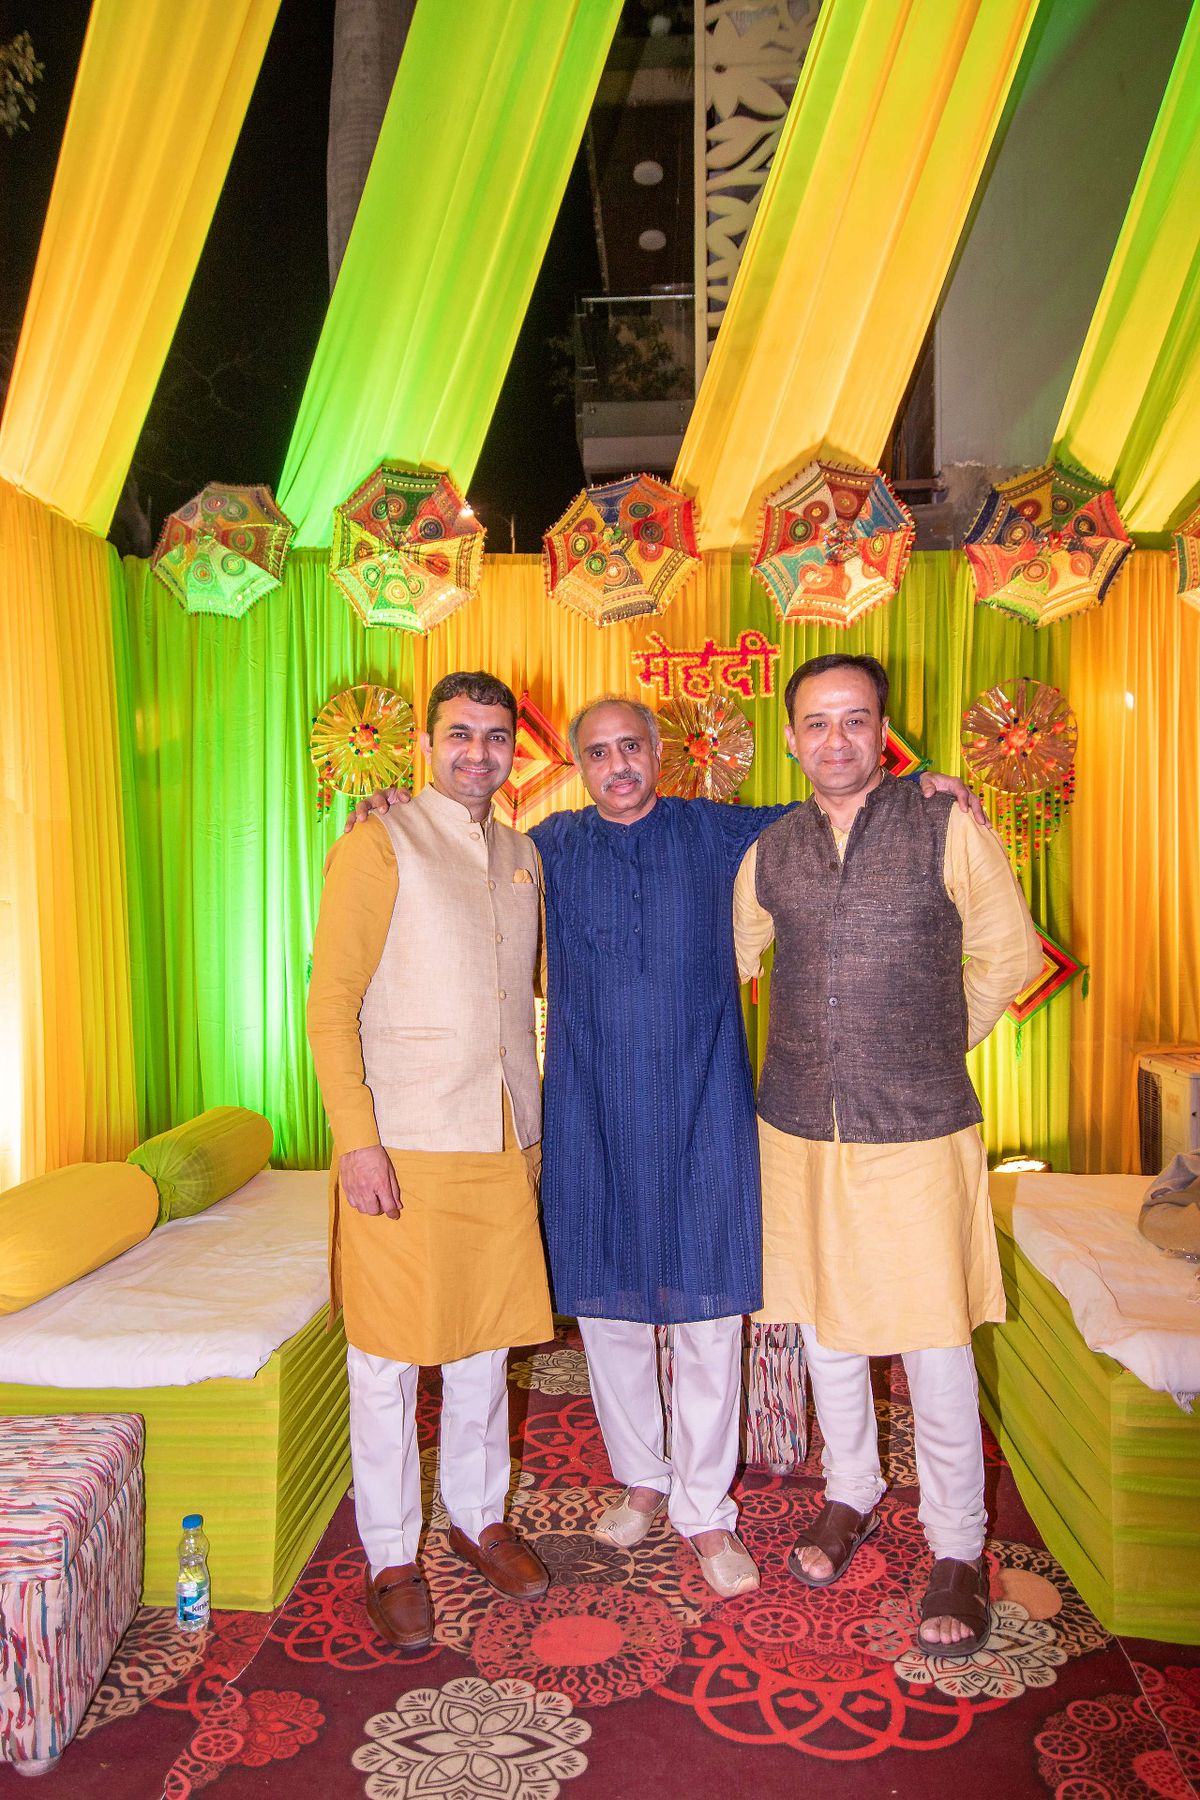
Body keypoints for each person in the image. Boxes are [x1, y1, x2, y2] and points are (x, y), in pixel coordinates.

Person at [350, 694, 979, 1600]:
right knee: (608, 1315)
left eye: (632, 747)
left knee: (709, 1315)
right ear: (578, 766)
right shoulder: (548, 848)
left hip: (703, 1107)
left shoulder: (718, 832)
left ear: (659, 752)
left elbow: (826, 802)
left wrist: (918, 788)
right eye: (599, 753)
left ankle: (704, 1507)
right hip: (591, 1112)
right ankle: (643, 1478)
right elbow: (463, 858)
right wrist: (387, 805)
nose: (618, 766)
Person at [733, 653, 1041, 1656]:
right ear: (790, 738)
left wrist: (938, 1041)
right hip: (798, 1127)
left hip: (917, 1127)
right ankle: (852, 1491)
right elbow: (730, 960)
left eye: (855, 720)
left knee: (932, 1338)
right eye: (817, 723)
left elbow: (1009, 954)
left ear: (883, 731)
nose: (836, 739)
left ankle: (957, 1545)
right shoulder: (769, 849)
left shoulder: (943, 824)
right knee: (827, 1325)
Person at [306, 670, 553, 1653]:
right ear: (426, 743)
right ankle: (390, 1555)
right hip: (404, 1139)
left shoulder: (523, 853)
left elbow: (526, 988)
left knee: (485, 1346)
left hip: (501, 1134)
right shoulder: (378, 842)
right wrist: (356, 1140)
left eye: (495, 737)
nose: (478, 753)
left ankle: (479, 1518)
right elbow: (331, 1006)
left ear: (512, 750)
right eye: (460, 734)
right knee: (387, 1358)